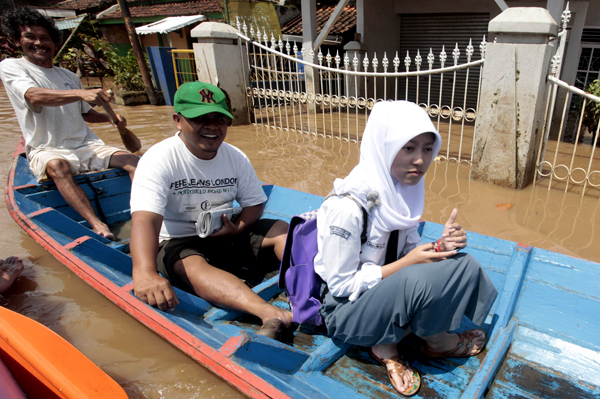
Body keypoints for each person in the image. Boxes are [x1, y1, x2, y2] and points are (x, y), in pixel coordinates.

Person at [314, 101, 498, 396]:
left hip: (386, 292)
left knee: (463, 264)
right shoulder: (346, 207)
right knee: (417, 279)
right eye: (409, 148)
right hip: (345, 312)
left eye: (427, 149)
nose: (420, 160)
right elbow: (341, 284)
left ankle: (422, 338)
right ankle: (400, 345)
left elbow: (409, 248)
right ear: (383, 146)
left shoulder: (402, 192)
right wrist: (408, 263)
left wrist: (440, 245)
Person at [130, 81, 292, 340]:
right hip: (180, 243)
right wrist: (145, 273)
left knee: (282, 229)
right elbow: (145, 220)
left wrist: (237, 229)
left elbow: (254, 204)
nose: (212, 126)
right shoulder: (159, 159)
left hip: (225, 233)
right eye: (199, 118)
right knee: (189, 264)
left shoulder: (235, 156)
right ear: (178, 120)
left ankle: (306, 293)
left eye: (219, 118)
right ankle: (270, 313)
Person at [0, 7, 139, 241]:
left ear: (54, 43)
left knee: (134, 161)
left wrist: (110, 119)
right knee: (57, 166)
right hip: (47, 147)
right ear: (17, 40)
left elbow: (84, 113)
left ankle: (142, 215)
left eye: (44, 38)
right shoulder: (12, 67)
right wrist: (81, 93)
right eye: (30, 37)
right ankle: (97, 224)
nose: (38, 43)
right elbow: (34, 96)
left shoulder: (68, 76)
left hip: (85, 144)